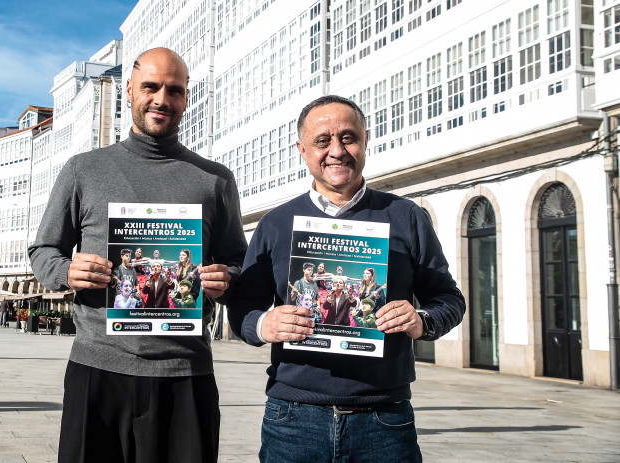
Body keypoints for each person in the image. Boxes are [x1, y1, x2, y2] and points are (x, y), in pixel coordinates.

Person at [28, 47, 247, 463]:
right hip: (98, 369)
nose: (162, 99)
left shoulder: (216, 180)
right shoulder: (82, 169)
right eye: (151, 86)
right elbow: (44, 250)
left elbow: (238, 261)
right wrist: (66, 271)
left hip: (186, 373)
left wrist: (227, 278)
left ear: (186, 98)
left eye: (175, 90)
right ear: (129, 90)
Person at [227, 95, 465, 462]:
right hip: (293, 419)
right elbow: (243, 306)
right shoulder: (276, 224)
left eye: (348, 138)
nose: (337, 151)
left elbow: (449, 299)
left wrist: (422, 320)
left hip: (384, 421)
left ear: (366, 140)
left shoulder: (407, 217)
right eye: (323, 141)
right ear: (302, 149)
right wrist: (263, 324)